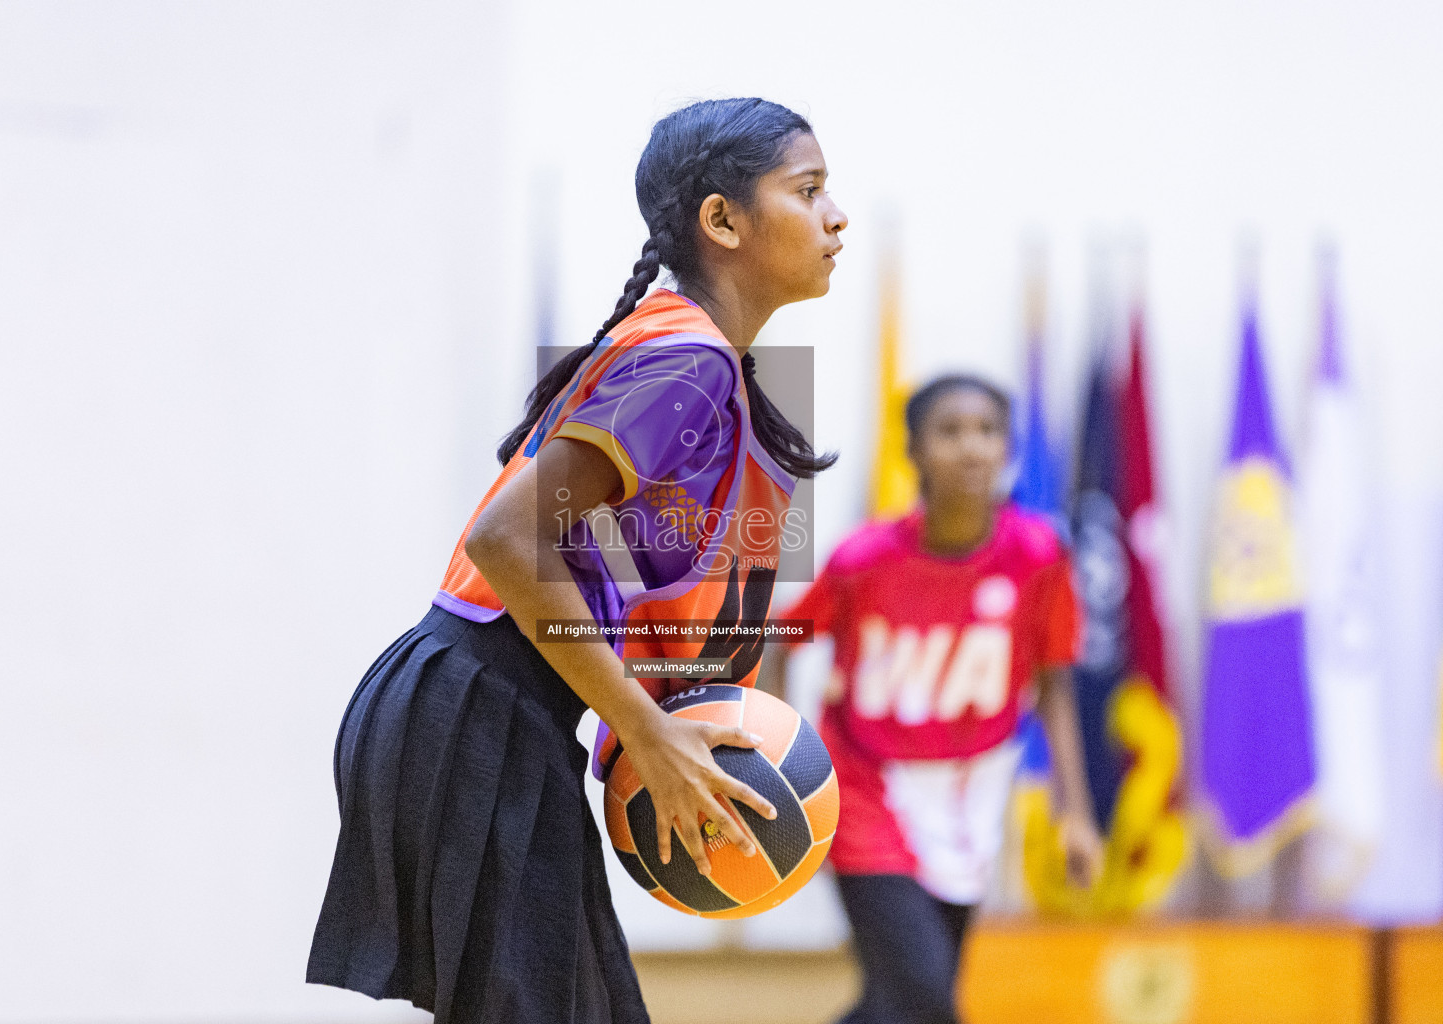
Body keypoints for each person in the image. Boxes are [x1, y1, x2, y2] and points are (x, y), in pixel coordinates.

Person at [307, 97, 848, 1023]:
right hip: (476, 705)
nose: (837, 216)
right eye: (808, 191)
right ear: (722, 221)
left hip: (472, 702)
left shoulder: (690, 353)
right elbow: (505, 538)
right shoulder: (690, 364)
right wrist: (642, 727)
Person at [761, 375, 1104, 1024]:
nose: (972, 448)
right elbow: (783, 636)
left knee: (901, 1000)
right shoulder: (865, 559)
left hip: (971, 796)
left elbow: (1054, 684)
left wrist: (1075, 814)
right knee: (924, 995)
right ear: (913, 450)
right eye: (949, 431)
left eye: (988, 431)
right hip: (867, 789)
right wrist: (787, 765)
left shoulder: (1038, 556)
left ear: (1009, 449)